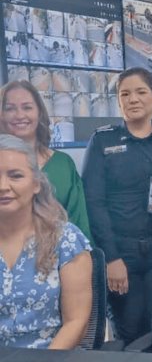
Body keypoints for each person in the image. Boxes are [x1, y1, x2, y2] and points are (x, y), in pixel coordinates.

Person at [82, 67, 152, 344]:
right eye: (124, 94)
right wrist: (111, 258)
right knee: (130, 329)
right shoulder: (103, 141)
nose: (133, 99)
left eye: (140, 92)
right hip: (121, 253)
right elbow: (94, 202)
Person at [0, 134, 92, 349]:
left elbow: (76, 322)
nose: (3, 186)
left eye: (15, 176)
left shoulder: (66, 240)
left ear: (36, 184)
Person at [0, 80, 92, 242]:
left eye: (27, 107)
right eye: (10, 108)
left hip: (60, 261)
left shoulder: (63, 164)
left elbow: (80, 225)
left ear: (39, 112)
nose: (20, 115)